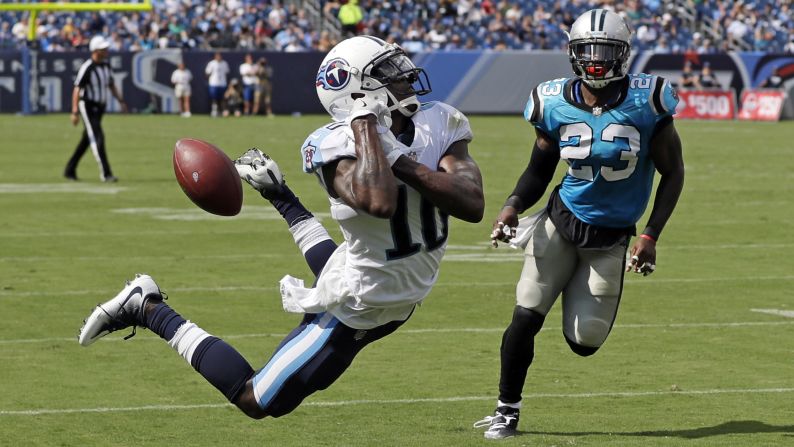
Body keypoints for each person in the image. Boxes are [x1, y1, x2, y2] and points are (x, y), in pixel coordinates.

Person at [77, 35, 484, 421]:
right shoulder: (333, 145)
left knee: (348, 264)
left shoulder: (439, 122)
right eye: (389, 70)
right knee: (256, 399)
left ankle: (281, 198)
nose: (406, 74)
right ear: (358, 91)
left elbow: (471, 203)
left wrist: (393, 155)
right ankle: (148, 308)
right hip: (358, 308)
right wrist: (366, 130)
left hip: (393, 289)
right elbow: (379, 203)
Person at [474, 9, 685, 439]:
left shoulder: (650, 100)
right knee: (526, 314)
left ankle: (574, 287)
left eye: (604, 51)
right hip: (561, 221)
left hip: (611, 238)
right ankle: (505, 410)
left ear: (623, 54)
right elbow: (539, 167)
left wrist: (650, 234)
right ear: (572, 53)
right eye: (586, 50)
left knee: (584, 342)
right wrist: (512, 204)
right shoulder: (550, 101)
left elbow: (674, 171)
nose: (594, 60)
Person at [64, 35, 126, 182]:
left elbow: (111, 84)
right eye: (103, 49)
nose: (106, 51)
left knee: (87, 139)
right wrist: (74, 111)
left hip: (100, 108)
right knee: (98, 136)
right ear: (96, 50)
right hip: (88, 106)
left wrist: (121, 101)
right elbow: (77, 89)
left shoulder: (105, 66)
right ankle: (106, 173)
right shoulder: (88, 67)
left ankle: (70, 169)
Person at [205, 51, 229, 117]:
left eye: (220, 56)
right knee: (214, 98)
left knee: (222, 99)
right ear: (215, 57)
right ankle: (214, 111)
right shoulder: (211, 63)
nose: (219, 57)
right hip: (214, 84)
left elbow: (226, 73)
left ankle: (221, 111)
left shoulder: (224, 63)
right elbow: (207, 73)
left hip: (222, 84)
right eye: (217, 56)